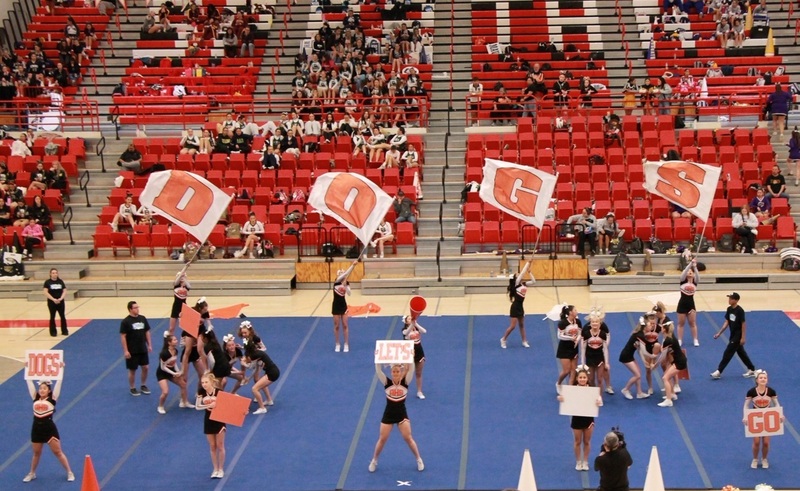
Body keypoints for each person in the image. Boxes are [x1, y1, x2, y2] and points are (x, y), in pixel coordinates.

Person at [368, 363, 424, 473]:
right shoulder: (387, 383)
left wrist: (410, 359)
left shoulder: (405, 382)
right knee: (382, 439)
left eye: (397, 371)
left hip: (401, 415)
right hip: (388, 414)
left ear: (401, 372)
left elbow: (411, 370)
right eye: (394, 372)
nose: (395, 373)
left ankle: (419, 459)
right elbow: (379, 371)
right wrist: (377, 360)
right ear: (391, 373)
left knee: (408, 438)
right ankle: (374, 460)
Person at [22, 378, 74, 483]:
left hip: (49, 429)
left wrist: (61, 371)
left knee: (58, 452)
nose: (41, 390)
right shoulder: (35, 398)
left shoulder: (52, 399)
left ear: (49, 391)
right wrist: (28, 372)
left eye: (44, 388)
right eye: (40, 388)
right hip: (36, 428)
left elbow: (59, 383)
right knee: (36, 453)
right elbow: (29, 381)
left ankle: (69, 472)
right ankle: (32, 473)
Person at [557, 365, 603, 471]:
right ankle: (578, 461)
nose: (582, 379)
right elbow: (564, 399)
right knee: (577, 441)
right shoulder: (572, 390)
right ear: (577, 378)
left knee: (587, 441)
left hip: (588, 419)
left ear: (587, 379)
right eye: (580, 377)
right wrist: (561, 398)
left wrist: (598, 401)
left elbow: (599, 403)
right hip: (577, 419)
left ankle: (585, 461)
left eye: (584, 377)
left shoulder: (592, 391)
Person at [711, 292, 757, 380]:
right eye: (729, 298)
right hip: (732, 334)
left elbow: (743, 324)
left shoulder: (740, 310)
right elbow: (727, 322)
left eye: (731, 299)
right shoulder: (729, 309)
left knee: (728, 352)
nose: (729, 300)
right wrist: (719, 333)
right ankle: (752, 369)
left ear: (736, 300)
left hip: (738, 335)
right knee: (741, 353)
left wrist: (743, 337)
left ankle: (719, 371)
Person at [743, 370, 781, 469]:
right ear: (757, 380)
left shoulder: (771, 391)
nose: (763, 379)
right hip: (755, 418)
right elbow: (746, 405)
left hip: (767, 418)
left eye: (765, 378)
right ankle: (755, 459)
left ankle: (764, 459)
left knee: (766, 442)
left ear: (767, 380)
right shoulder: (751, 392)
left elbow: (776, 403)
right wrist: (745, 416)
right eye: (761, 378)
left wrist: (780, 414)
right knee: (756, 442)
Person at [195, 373, 226, 479]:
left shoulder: (219, 392)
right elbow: (197, 406)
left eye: (206, 382)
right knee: (212, 446)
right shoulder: (201, 392)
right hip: (208, 421)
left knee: (220, 445)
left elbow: (228, 406)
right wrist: (209, 405)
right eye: (202, 382)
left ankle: (221, 469)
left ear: (212, 382)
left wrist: (242, 412)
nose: (204, 384)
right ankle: (215, 469)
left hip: (219, 420)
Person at [120, 301, 152, 396]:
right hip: (132, 349)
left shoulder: (142, 318)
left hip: (142, 348)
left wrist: (149, 344)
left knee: (145, 367)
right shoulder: (125, 322)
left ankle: (143, 385)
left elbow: (147, 332)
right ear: (130, 309)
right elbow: (123, 336)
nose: (137, 309)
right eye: (135, 308)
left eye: (138, 307)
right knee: (132, 369)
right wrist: (125, 350)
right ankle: (132, 387)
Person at [156, 332, 192, 414]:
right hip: (162, 373)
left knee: (183, 384)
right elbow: (163, 367)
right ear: (169, 342)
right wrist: (174, 373)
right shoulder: (164, 353)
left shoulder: (175, 351)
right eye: (175, 340)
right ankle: (160, 406)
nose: (177, 341)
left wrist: (178, 371)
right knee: (165, 392)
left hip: (171, 372)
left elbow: (174, 362)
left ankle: (184, 402)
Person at [500, 260, 534, 349]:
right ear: (515, 279)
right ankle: (503, 339)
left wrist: (530, 272)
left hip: (520, 307)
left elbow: (533, 281)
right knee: (513, 326)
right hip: (515, 307)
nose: (519, 274)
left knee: (522, 325)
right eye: (517, 274)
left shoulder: (523, 284)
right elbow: (522, 273)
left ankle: (524, 341)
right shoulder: (516, 284)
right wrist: (528, 263)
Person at [618, 314, 652, 400]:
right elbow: (644, 351)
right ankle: (625, 389)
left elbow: (639, 350)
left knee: (639, 373)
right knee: (637, 375)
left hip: (629, 355)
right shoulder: (640, 335)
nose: (651, 326)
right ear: (645, 327)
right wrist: (654, 355)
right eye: (649, 325)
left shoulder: (639, 334)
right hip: (625, 356)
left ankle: (639, 393)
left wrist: (644, 361)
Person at [243, 338, 280, 414]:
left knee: (254, 389)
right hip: (273, 371)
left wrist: (243, 363)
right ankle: (269, 400)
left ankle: (262, 408)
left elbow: (250, 367)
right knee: (261, 384)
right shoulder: (257, 353)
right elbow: (256, 369)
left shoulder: (255, 355)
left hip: (272, 373)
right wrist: (249, 379)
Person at [657, 321, 687, 407]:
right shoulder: (670, 337)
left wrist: (656, 364)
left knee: (665, 378)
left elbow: (663, 354)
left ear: (665, 329)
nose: (661, 328)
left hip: (679, 362)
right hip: (678, 360)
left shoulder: (668, 340)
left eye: (662, 327)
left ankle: (668, 400)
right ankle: (672, 394)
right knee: (667, 376)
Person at [581, 310, 611, 392]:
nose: (595, 323)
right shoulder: (586, 333)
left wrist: (607, 362)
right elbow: (583, 348)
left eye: (596, 322)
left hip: (600, 358)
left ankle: (600, 397)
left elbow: (605, 349)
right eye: (593, 322)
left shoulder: (603, 334)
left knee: (600, 379)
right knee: (590, 379)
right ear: (590, 323)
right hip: (589, 358)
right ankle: (593, 395)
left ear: (600, 323)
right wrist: (583, 363)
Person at [332, 259, 358, 352]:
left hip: (343, 306)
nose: (343, 275)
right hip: (335, 306)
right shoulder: (336, 282)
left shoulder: (346, 283)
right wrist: (353, 265)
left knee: (345, 325)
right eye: (341, 274)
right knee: (336, 326)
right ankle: (337, 343)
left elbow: (349, 293)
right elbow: (347, 272)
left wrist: (346, 285)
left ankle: (346, 343)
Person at [556, 305, 582, 390]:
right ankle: (559, 383)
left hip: (574, 348)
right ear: (570, 312)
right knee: (566, 370)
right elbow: (560, 336)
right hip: (564, 348)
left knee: (573, 370)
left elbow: (580, 333)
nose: (577, 311)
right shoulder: (563, 323)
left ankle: (570, 388)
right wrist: (571, 338)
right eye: (575, 310)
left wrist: (577, 340)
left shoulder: (578, 322)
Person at [402, 315, 427, 399]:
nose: (411, 319)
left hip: (419, 352)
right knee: (406, 372)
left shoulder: (416, 328)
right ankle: (402, 389)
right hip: (409, 353)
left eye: (411, 318)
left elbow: (424, 331)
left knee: (418, 373)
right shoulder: (404, 330)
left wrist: (416, 324)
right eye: (409, 319)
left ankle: (419, 391)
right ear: (406, 321)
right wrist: (412, 325)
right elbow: (406, 334)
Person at [676, 258, 700, 346]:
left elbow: (698, 277)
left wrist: (695, 267)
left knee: (692, 323)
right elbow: (683, 273)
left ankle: (695, 339)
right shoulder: (682, 281)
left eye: (691, 272)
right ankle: (679, 340)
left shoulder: (695, 283)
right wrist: (690, 264)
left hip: (691, 305)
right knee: (681, 323)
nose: (689, 272)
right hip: (682, 304)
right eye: (688, 272)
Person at [43, 268, 68, 337]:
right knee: (52, 316)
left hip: (60, 301)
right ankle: (53, 332)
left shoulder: (60, 281)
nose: (55, 274)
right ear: (50, 274)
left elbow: (64, 290)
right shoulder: (47, 282)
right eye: (53, 273)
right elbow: (45, 292)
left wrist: (61, 298)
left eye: (56, 273)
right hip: (52, 302)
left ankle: (64, 330)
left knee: (62, 316)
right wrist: (53, 299)